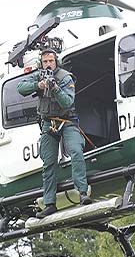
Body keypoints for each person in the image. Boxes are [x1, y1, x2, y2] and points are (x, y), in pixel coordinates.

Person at [17, 49, 91, 219]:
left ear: (56, 61)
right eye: (45, 62)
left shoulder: (65, 77)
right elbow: (21, 88)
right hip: (48, 123)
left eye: (51, 61)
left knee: (76, 151)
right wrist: (39, 85)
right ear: (41, 63)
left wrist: (55, 88)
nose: (48, 64)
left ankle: (83, 193)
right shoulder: (39, 76)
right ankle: (50, 203)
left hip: (67, 121)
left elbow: (67, 102)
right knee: (48, 162)